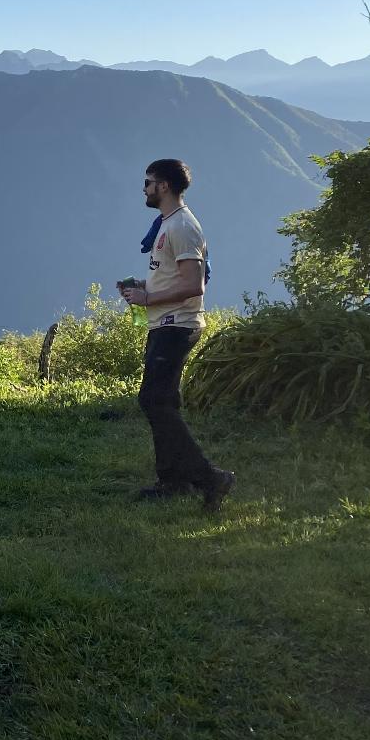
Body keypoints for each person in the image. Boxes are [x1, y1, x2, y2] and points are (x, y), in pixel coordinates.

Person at [118, 158, 235, 511]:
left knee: (153, 400)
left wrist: (148, 298)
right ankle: (172, 481)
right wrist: (142, 287)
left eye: (148, 181)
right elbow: (173, 275)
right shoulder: (168, 224)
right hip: (164, 322)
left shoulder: (182, 226)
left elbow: (192, 284)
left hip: (177, 324)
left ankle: (210, 477)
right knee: (162, 401)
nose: (144, 188)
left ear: (164, 186)